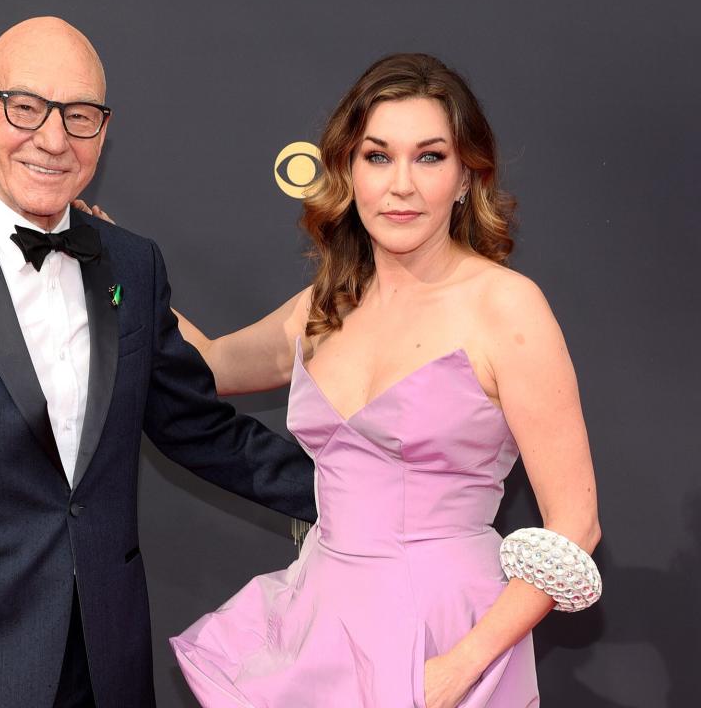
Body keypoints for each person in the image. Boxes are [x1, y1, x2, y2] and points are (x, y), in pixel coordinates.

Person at [0, 16, 315, 708]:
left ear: (103, 132)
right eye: (26, 108)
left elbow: (203, 431)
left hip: (106, 668)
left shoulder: (134, 266)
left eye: (79, 116)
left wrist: (363, 492)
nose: (53, 139)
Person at [168, 54, 602, 707]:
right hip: (322, 617)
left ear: (466, 178)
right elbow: (207, 365)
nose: (401, 185)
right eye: (377, 157)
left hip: (448, 637)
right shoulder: (327, 302)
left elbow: (577, 524)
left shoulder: (507, 307)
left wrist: (458, 669)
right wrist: (116, 276)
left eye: (429, 157)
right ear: (347, 171)